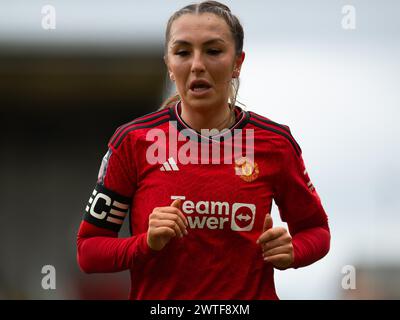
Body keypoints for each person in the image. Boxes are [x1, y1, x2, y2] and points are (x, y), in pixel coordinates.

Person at [77, 0, 330, 300]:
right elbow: (88, 250)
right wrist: (145, 243)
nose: (197, 65)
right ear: (169, 65)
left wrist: (294, 251)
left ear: (238, 62)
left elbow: (317, 231)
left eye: (213, 51)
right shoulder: (133, 141)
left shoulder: (274, 143)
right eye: (183, 52)